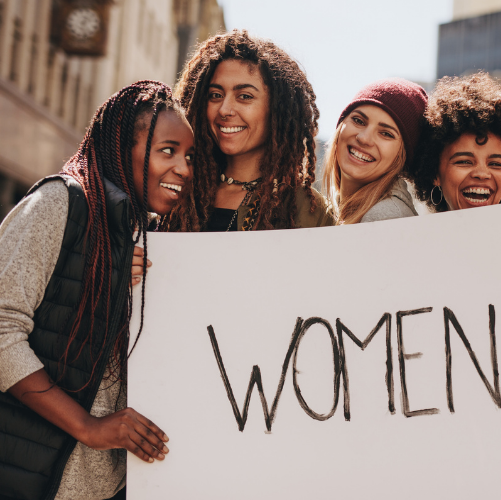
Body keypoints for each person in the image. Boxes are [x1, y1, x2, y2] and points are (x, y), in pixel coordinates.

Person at [0, 81, 193, 500]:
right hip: (31, 478)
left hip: (107, 488)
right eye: (167, 151)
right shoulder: (59, 203)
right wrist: (89, 427)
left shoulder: (142, 235)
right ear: (124, 149)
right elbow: (2, 333)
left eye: (188, 156)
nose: (183, 167)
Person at [163, 30, 335, 232]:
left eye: (244, 96)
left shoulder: (307, 210)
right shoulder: (178, 189)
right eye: (215, 95)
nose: (225, 109)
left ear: (276, 109)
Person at [409, 72, 501, 212]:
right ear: (435, 174)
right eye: (464, 161)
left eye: (495, 164)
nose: (482, 173)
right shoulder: (407, 233)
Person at [322, 78, 427, 224]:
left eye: (386, 134)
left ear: (403, 156)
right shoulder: (333, 210)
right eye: (358, 120)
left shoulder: (385, 217)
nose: (364, 138)